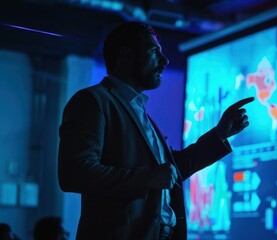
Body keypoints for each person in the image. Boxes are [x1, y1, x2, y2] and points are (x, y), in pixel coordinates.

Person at [57, 21, 254, 240]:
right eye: (154, 51)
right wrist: (147, 178)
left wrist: (219, 135)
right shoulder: (93, 101)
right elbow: (74, 173)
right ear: (125, 54)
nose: (165, 61)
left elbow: (170, 172)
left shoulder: (138, 110)